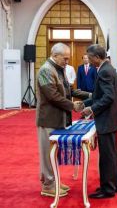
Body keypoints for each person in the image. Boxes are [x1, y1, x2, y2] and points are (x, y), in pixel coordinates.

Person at [36, 42, 83, 197]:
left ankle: (54, 181)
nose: (67, 62)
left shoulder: (58, 69)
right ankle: (48, 185)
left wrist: (87, 95)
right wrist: (72, 106)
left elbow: (68, 91)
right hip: (48, 119)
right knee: (47, 155)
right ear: (55, 55)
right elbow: (52, 96)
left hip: (58, 118)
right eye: (65, 58)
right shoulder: (45, 70)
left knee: (53, 154)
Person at [82, 44, 117, 199]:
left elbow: (108, 97)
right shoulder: (108, 68)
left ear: (97, 57)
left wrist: (92, 109)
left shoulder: (104, 71)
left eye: (90, 58)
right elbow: (100, 95)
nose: (90, 61)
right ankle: (114, 184)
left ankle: (108, 189)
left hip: (106, 120)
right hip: (111, 119)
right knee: (112, 154)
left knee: (107, 156)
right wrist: (86, 104)